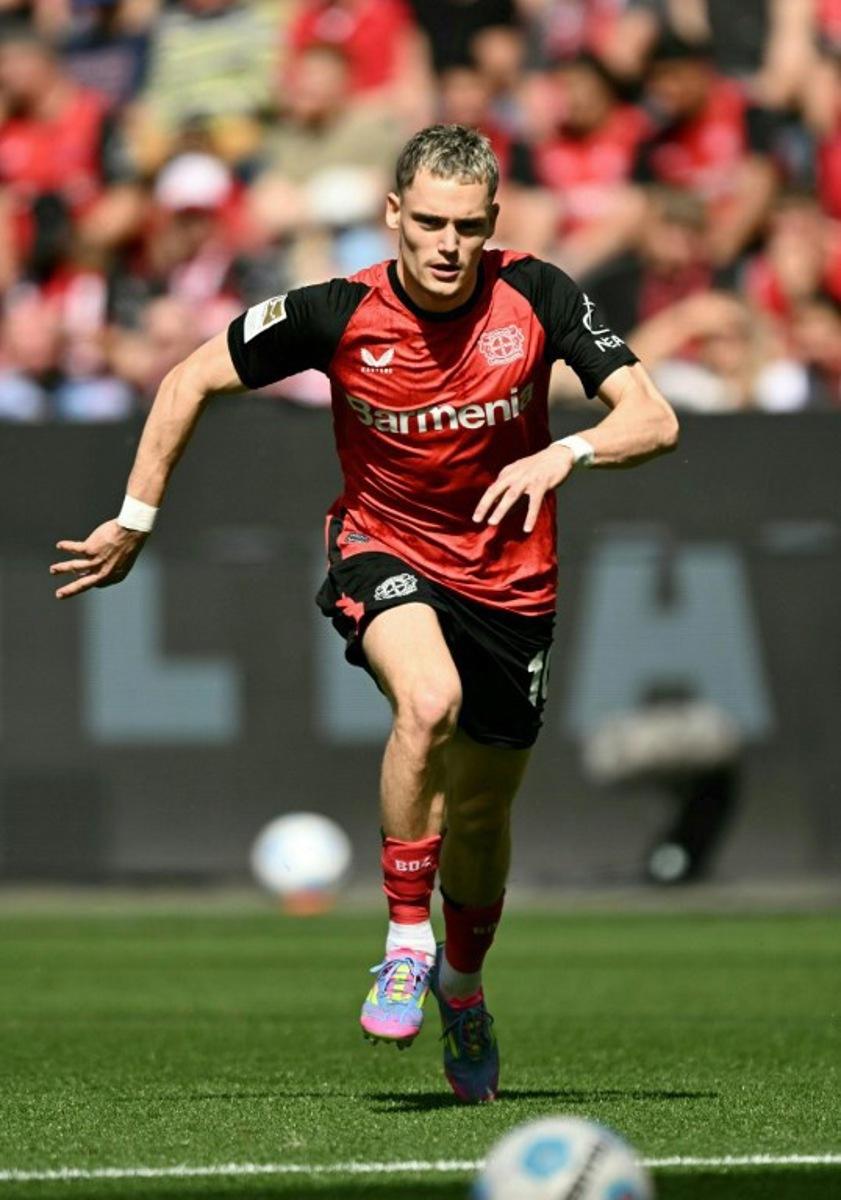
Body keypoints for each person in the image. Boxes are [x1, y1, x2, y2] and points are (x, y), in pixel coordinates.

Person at [50, 125, 678, 1104]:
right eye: (426, 221)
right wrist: (135, 519)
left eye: (466, 226)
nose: (445, 243)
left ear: (491, 226)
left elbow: (654, 416)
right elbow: (189, 378)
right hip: (382, 550)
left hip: (513, 584)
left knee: (480, 810)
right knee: (425, 701)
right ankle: (400, 942)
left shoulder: (540, 294)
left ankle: (461, 993)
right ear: (393, 216)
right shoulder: (334, 311)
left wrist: (567, 453)